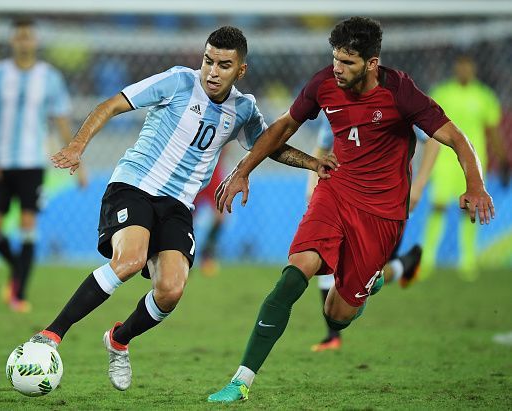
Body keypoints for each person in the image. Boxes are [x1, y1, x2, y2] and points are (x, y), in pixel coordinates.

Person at [208, 17, 495, 403]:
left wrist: (475, 185)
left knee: (336, 315)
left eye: (348, 63)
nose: (337, 69)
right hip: (336, 191)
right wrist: (243, 170)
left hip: (381, 216)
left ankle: (380, 276)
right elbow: (283, 126)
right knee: (294, 277)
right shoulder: (324, 83)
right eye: (335, 59)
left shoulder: (401, 93)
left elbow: (456, 138)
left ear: (372, 63)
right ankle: (241, 380)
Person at [27, 26, 326, 392]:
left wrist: (314, 163)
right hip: (135, 185)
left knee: (170, 290)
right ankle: (51, 335)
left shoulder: (243, 109)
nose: (213, 71)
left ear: (241, 71)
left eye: (224, 65)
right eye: (208, 61)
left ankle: (119, 339)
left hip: (177, 205)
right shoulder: (178, 82)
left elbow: (268, 145)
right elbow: (112, 104)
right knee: (130, 260)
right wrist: (76, 145)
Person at [0, 18, 86, 313]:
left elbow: (61, 119)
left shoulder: (49, 78)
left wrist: (78, 161)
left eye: (28, 37)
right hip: (0, 162)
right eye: (20, 37)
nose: (24, 41)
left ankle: (19, 295)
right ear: (13, 40)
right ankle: (16, 268)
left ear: (35, 41)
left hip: (32, 164)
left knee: (27, 225)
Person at [308, 120, 439, 352]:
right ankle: (332, 335)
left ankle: (404, 264)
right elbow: (322, 145)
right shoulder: (337, 101)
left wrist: (418, 186)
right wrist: (312, 187)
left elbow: (433, 140)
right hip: (345, 199)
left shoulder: (398, 98)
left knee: (373, 275)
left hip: (387, 206)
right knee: (329, 258)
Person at [422, 54, 507, 280]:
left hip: (473, 163)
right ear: (455, 68)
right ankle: (427, 260)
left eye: (468, 67)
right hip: (444, 161)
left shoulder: (484, 96)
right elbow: (428, 130)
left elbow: (492, 132)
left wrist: (503, 158)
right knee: (437, 207)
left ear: (474, 69)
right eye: (460, 66)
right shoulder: (442, 93)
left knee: (470, 210)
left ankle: (467, 262)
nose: (464, 70)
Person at [192, 148, 228, 276]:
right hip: (192, 168)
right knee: (185, 214)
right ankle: (181, 256)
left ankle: (207, 255)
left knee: (221, 215)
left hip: (212, 169)